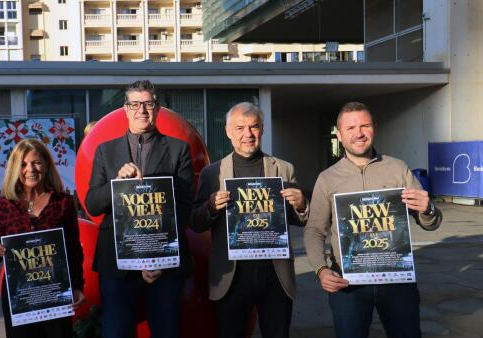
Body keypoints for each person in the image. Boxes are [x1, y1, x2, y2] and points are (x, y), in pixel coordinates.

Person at [304, 102, 442, 338]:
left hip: (397, 278)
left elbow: (430, 222)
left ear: (374, 128)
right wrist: (321, 269)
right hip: (348, 283)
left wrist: (427, 209)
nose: (358, 133)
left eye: (364, 125)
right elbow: (315, 230)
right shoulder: (327, 178)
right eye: (350, 128)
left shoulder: (398, 168)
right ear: (339, 134)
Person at [85, 80, 194, 338]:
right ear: (125, 109)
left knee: (166, 331)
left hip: (164, 263)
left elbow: (184, 207)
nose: (141, 110)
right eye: (135, 104)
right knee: (116, 332)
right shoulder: (105, 151)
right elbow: (92, 203)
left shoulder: (179, 150)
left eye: (148, 104)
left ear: (157, 108)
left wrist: (158, 256)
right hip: (117, 264)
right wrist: (118, 184)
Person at [191, 102, 309, 338]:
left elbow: (300, 220)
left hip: (275, 275)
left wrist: (301, 205)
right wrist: (211, 207)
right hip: (231, 276)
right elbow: (195, 222)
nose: (248, 134)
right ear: (228, 131)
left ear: (262, 129)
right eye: (240, 128)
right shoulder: (211, 173)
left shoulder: (284, 169)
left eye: (254, 127)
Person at [0, 138, 85, 338]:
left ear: (46, 165)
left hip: (55, 291)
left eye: (37, 162)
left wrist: (77, 286)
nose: (30, 169)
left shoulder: (62, 203)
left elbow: (73, 249)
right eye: (23, 164)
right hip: (19, 295)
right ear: (15, 168)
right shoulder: (4, 204)